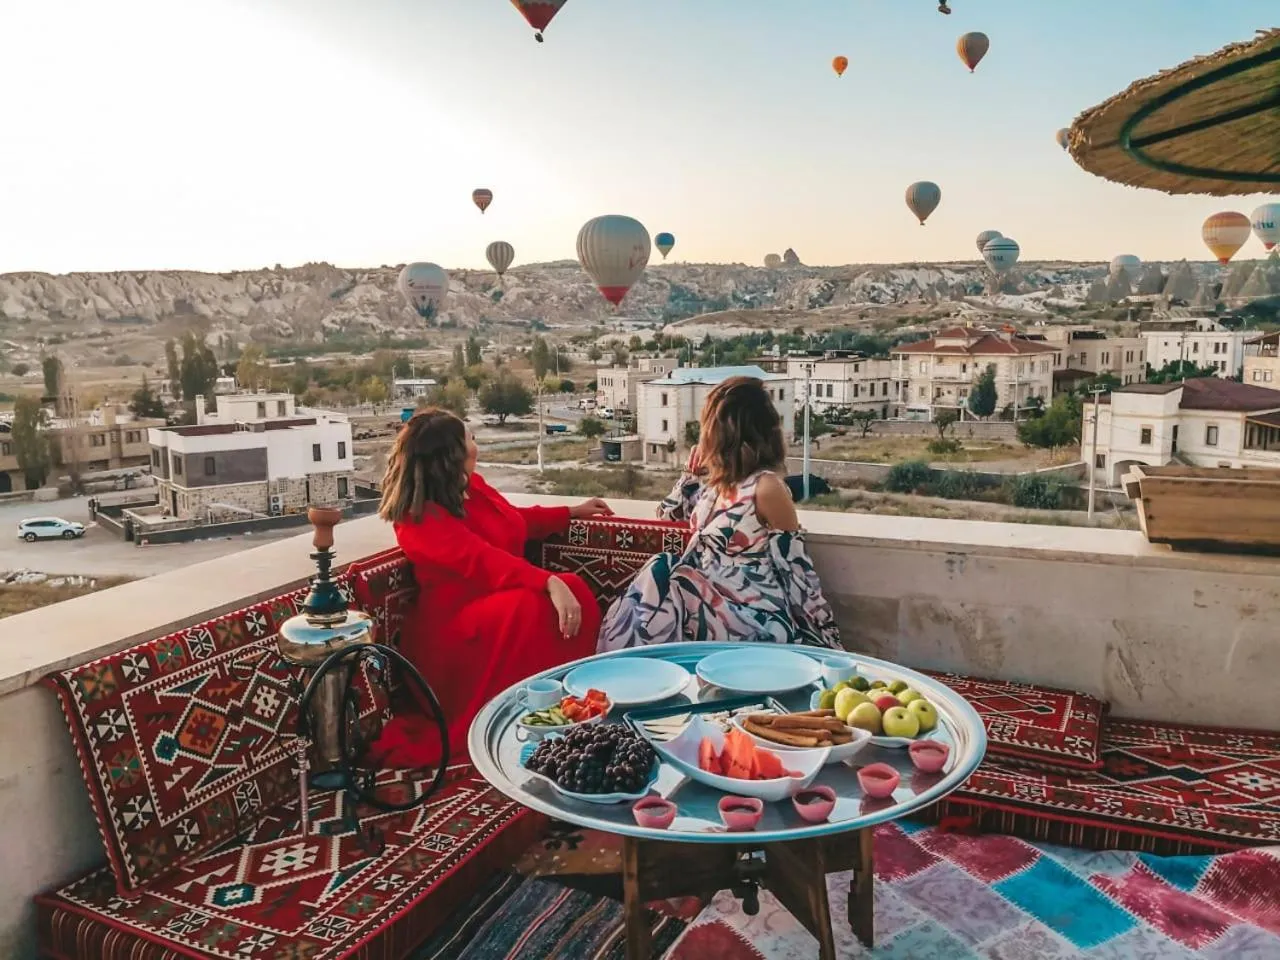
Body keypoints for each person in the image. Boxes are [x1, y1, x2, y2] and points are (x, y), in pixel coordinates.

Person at [367, 408, 613, 769]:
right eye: (470, 439)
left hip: (492, 612)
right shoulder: (419, 520)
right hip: (456, 636)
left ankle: (562, 708)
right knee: (536, 605)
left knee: (565, 591)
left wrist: (571, 512)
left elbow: (513, 521)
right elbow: (481, 559)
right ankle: (524, 714)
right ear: (452, 454)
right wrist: (548, 581)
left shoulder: (471, 489)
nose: (476, 446)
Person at [599, 376, 842, 651]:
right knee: (665, 569)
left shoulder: (766, 488)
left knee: (671, 572)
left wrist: (825, 644)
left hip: (754, 618)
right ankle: (626, 668)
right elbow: (666, 516)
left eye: (708, 425)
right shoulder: (714, 486)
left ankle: (621, 666)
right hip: (707, 609)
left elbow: (797, 573)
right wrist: (689, 475)